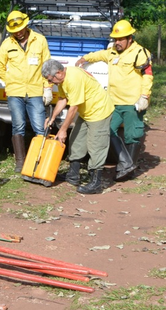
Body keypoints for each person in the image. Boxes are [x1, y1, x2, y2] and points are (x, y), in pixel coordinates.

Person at [76, 20, 153, 180]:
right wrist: (84, 58)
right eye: (115, 39)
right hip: (113, 103)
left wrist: (144, 95)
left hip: (133, 103)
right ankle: (126, 164)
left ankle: (128, 169)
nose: (117, 42)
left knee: (133, 135)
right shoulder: (111, 52)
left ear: (130, 38)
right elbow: (98, 54)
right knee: (106, 131)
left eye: (121, 39)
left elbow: (148, 75)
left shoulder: (140, 53)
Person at [42, 60, 114, 194]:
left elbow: (73, 108)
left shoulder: (73, 79)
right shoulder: (62, 79)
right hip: (86, 112)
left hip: (99, 112)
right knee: (76, 139)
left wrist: (62, 130)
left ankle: (96, 183)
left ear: (58, 73)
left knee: (96, 145)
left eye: (51, 80)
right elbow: (63, 99)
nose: (51, 83)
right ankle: (73, 175)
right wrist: (51, 118)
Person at [0, 10, 52, 171]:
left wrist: (47, 88)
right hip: (15, 92)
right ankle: (20, 162)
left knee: (39, 127)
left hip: (35, 91)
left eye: (20, 29)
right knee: (17, 126)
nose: (18, 33)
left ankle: (40, 161)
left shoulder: (39, 40)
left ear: (26, 25)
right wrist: (9, 80)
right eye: (14, 31)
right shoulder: (7, 44)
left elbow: (46, 65)